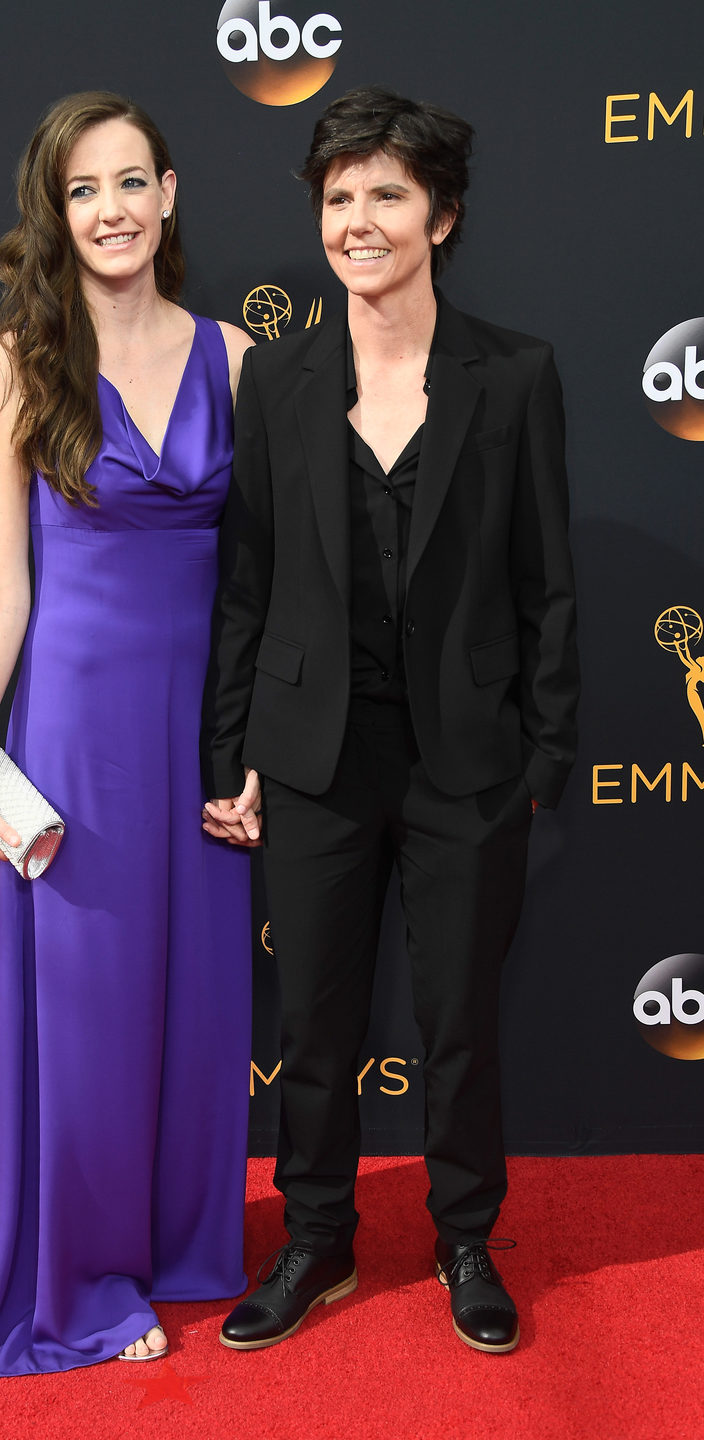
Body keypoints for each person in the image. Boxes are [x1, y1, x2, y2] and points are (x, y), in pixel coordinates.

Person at [202, 86, 579, 1354]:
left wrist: (544, 752)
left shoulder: (516, 374)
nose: (358, 221)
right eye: (339, 198)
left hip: (468, 761)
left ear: (442, 214)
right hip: (313, 757)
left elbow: (550, 583)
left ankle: (467, 1236)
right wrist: (230, 750)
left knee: (460, 1019)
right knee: (313, 1021)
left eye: (387, 196)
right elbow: (246, 582)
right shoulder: (280, 379)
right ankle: (316, 1241)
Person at [0, 91, 253, 1376]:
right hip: (80, 729)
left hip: (199, 730)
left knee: (201, 998)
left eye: (129, 182)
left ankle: (182, 1243)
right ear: (58, 215)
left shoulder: (238, 357)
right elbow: (3, 586)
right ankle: (86, 1278)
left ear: (169, 197)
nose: (109, 211)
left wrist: (258, 739)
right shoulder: (18, 363)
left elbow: (270, 584)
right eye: (81, 190)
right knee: (94, 1007)